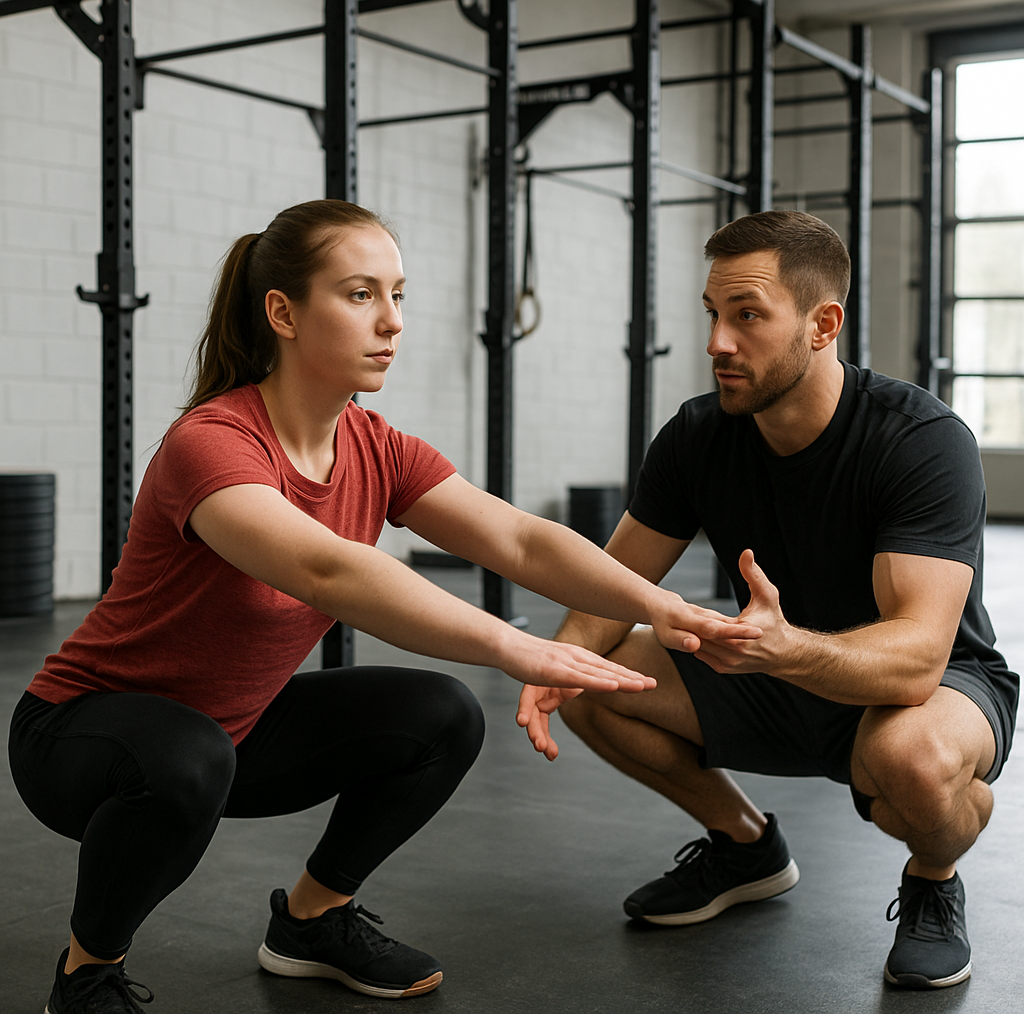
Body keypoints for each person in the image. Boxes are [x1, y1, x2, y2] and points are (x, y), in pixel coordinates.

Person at [7, 200, 757, 1014]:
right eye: (361, 295)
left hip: (236, 730)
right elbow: (329, 570)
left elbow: (521, 541)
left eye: (399, 295)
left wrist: (661, 606)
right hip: (82, 736)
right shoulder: (212, 443)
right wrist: (509, 643)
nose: (392, 323)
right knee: (185, 758)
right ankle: (86, 975)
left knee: (439, 715)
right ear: (283, 313)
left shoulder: (376, 446)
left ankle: (312, 920)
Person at [517, 210, 1018, 990]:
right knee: (591, 675)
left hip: (924, 689)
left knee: (910, 764)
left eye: (748, 316)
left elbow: (918, 659)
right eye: (714, 315)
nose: (719, 341)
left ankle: (932, 877)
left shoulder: (918, 438)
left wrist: (788, 650)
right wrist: (558, 657)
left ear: (823, 325)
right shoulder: (697, 435)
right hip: (773, 671)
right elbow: (612, 588)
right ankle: (745, 846)